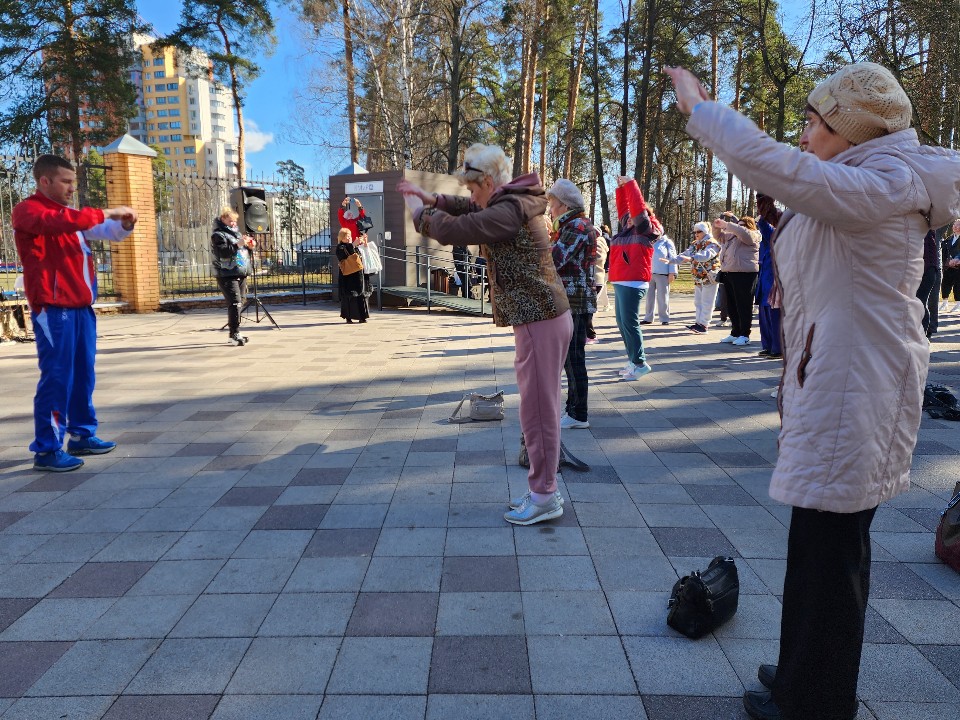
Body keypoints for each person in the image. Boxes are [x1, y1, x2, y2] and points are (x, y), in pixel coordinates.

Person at [667, 61, 960, 720]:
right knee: (816, 542)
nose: (801, 134)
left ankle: (817, 700)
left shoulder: (881, 182)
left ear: (848, 133)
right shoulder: (869, 180)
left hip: (859, 387)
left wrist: (700, 109)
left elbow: (789, 173)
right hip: (843, 379)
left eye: (812, 122)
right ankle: (803, 668)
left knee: (834, 556)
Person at [397, 144, 572, 526]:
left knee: (539, 411)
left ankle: (545, 496)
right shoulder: (512, 200)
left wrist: (419, 212)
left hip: (540, 318)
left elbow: (462, 227)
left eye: (474, 189)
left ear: (490, 183)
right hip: (539, 318)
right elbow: (471, 209)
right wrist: (435, 198)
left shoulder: (509, 209)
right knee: (535, 407)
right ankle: (543, 488)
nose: (472, 197)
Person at [12, 154, 138, 472]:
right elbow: (61, 223)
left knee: (83, 374)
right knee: (57, 378)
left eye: (73, 182)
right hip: (53, 309)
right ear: (45, 181)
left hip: (81, 309)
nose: (72, 188)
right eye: (66, 182)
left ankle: (81, 435)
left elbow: (104, 231)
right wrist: (108, 210)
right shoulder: (29, 210)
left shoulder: (69, 215)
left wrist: (123, 225)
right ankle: (47, 449)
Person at [546, 179, 598, 430]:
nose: (550, 210)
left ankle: (579, 414)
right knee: (570, 358)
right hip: (572, 299)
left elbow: (555, 259)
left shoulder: (576, 225)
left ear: (564, 205)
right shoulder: (571, 224)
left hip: (575, 301)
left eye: (553, 204)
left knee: (574, 358)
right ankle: (573, 410)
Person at [610, 175, 659, 380]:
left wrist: (630, 184)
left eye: (635, 215)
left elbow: (637, 209)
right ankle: (632, 360)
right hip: (621, 280)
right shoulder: (626, 229)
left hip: (633, 281)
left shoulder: (645, 229)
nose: (630, 217)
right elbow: (624, 209)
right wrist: (621, 189)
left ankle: (640, 363)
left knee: (630, 323)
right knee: (622, 323)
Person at [714, 214, 760, 345]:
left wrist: (729, 225)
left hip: (745, 275)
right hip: (729, 273)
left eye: (742, 225)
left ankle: (745, 335)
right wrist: (716, 226)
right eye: (737, 225)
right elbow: (718, 236)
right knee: (732, 305)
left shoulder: (754, 235)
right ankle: (735, 332)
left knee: (743, 305)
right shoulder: (732, 236)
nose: (738, 228)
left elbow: (744, 234)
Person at [211, 207, 254, 346]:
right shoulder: (218, 235)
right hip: (226, 273)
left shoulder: (236, 234)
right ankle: (234, 333)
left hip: (240, 272)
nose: (234, 224)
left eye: (235, 221)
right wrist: (238, 244)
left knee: (240, 302)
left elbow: (241, 252)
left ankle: (234, 333)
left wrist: (249, 246)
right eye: (231, 221)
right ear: (223, 219)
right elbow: (223, 252)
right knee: (235, 302)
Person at [674, 221, 721, 334]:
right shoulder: (695, 243)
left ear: (705, 231)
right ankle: (698, 323)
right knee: (698, 301)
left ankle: (704, 325)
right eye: (694, 232)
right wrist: (672, 259)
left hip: (709, 276)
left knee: (707, 302)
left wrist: (692, 258)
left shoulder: (712, 243)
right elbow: (686, 253)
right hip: (698, 277)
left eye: (699, 231)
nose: (696, 234)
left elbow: (706, 256)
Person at [755, 194, 782, 357]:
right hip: (764, 279)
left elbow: (764, 226)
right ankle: (768, 345)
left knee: (775, 316)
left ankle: (777, 348)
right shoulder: (767, 235)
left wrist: (764, 208)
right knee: (764, 315)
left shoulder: (776, 233)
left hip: (774, 280)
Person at [642, 233, 678, 324]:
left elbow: (673, 257)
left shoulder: (667, 242)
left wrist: (672, 273)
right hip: (649, 274)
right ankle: (648, 317)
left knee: (663, 297)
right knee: (649, 297)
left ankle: (664, 318)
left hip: (663, 274)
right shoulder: (648, 241)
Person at [335, 227, 369, 323]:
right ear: (341, 238)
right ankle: (348, 317)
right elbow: (344, 255)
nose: (349, 238)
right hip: (348, 277)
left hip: (358, 275)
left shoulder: (353, 246)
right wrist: (353, 244)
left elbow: (360, 256)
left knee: (360, 295)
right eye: (347, 236)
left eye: (350, 236)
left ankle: (362, 317)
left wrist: (364, 242)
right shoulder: (340, 247)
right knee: (349, 295)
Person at [585, 225, 610, 343]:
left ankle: (591, 335)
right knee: (588, 308)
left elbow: (596, 258)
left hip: (596, 278)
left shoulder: (598, 244)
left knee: (588, 309)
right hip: (595, 278)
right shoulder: (597, 243)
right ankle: (589, 334)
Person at [916, 229, 941, 338]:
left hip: (928, 270)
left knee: (921, 302)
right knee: (918, 302)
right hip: (919, 269)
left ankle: (924, 336)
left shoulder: (928, 230)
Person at [941, 219, 960, 312]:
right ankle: (945, 302)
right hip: (948, 265)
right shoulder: (949, 238)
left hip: (958, 266)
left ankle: (958, 304)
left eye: (957, 225)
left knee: (958, 285)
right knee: (945, 283)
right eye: (954, 225)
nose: (955, 227)